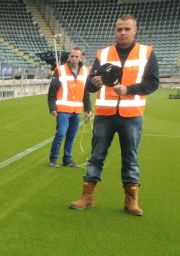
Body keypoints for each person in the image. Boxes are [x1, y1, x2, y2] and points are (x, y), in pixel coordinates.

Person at [69, 15, 159, 216]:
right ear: (114, 31)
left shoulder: (147, 53)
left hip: (132, 115)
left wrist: (129, 89)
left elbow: (152, 83)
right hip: (105, 114)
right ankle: (87, 197)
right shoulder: (104, 53)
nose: (123, 33)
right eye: (119, 29)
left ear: (135, 30)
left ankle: (131, 200)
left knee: (131, 159)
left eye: (127, 29)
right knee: (96, 157)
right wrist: (95, 82)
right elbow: (90, 84)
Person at [47, 47, 91, 168]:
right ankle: (53, 159)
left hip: (77, 111)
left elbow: (86, 93)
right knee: (60, 134)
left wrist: (88, 110)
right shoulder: (60, 70)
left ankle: (67, 159)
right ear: (69, 56)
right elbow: (52, 91)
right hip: (63, 110)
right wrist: (52, 107)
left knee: (71, 137)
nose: (74, 58)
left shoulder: (86, 71)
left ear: (80, 57)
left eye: (77, 56)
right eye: (72, 56)